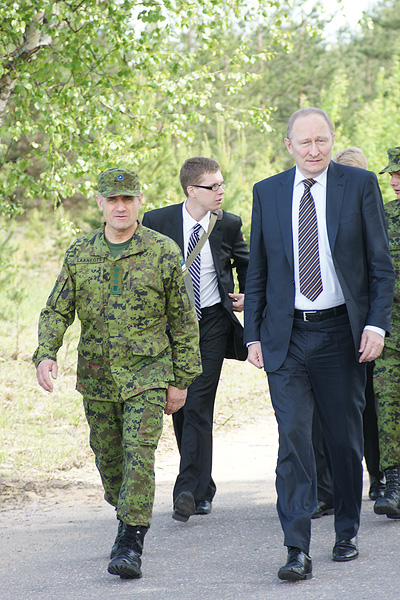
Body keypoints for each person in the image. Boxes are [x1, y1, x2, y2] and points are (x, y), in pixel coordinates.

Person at [244, 108, 394, 581]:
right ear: (288, 145)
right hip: (286, 336)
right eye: (305, 143)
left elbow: (380, 266)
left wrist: (376, 325)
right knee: (293, 439)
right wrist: (252, 333)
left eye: (322, 141)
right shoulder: (267, 192)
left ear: (332, 140)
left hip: (340, 335)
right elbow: (259, 270)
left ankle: (346, 529)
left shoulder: (360, 184)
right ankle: (296, 546)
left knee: (344, 439)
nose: (314, 151)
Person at [33, 167, 202, 579]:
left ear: (139, 201)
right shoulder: (80, 251)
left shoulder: (162, 251)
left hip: (147, 373)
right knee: (110, 461)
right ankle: (124, 507)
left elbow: (183, 321)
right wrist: (46, 352)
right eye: (113, 199)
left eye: (128, 199)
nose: (120, 206)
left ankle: (131, 539)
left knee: (138, 456)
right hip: (97, 376)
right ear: (100, 204)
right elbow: (57, 308)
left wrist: (180, 380)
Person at [142, 157, 249, 522]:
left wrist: (249, 295)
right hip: (171, 329)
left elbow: (246, 264)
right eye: (213, 186)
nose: (221, 191)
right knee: (181, 405)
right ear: (192, 190)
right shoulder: (158, 221)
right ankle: (205, 485)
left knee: (199, 401)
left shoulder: (228, 224)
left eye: (221, 184)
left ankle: (186, 490)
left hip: (213, 324)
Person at [311, 147, 385, 520]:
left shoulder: (372, 207)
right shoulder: (316, 209)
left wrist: (376, 322)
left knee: (369, 409)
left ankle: (379, 477)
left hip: (371, 323)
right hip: (341, 324)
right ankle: (329, 489)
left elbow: (378, 267)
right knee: (341, 412)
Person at [373, 147, 400, 520]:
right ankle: (393, 482)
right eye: (392, 176)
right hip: (390, 331)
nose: (394, 182)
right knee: (387, 404)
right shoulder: (383, 216)